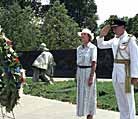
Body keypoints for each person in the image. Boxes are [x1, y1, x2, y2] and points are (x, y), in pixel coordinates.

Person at [97, 19, 138, 119]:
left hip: (126, 73)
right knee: (120, 99)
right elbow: (101, 45)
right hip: (116, 74)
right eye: (113, 28)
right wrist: (101, 35)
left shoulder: (130, 39)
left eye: (116, 27)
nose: (114, 29)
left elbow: (135, 57)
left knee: (129, 100)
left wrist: (135, 76)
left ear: (123, 27)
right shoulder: (115, 39)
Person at [76, 28, 97, 119]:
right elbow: (77, 62)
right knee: (81, 95)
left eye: (84, 34)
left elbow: (94, 62)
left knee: (90, 94)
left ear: (89, 37)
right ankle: (83, 114)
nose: (82, 36)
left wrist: (91, 77)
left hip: (89, 71)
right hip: (80, 71)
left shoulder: (92, 48)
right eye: (82, 34)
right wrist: (76, 75)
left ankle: (90, 116)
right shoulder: (79, 48)